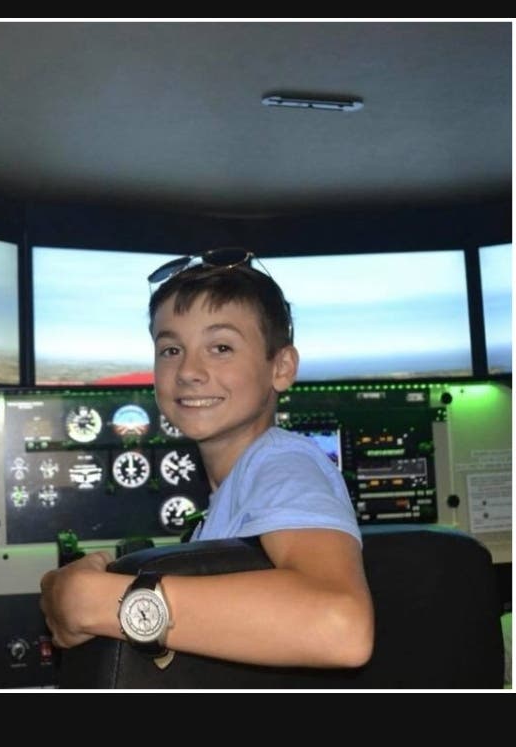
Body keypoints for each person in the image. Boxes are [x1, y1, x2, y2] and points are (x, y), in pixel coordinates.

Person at [40, 248, 374, 669]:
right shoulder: (239, 487)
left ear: (281, 367)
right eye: (171, 350)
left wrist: (94, 601)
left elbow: (340, 626)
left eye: (220, 347)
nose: (188, 371)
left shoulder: (283, 465)